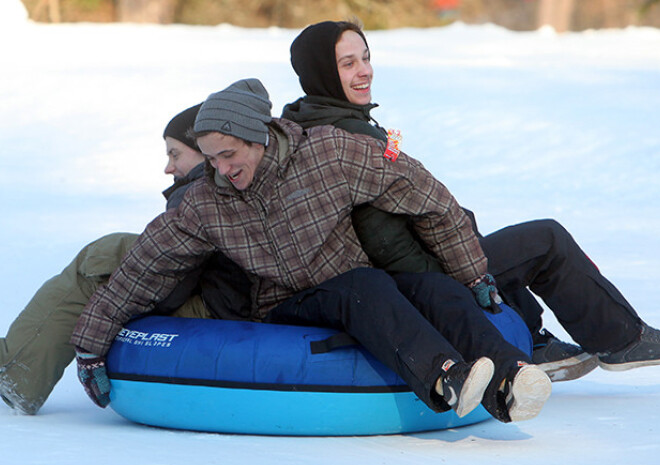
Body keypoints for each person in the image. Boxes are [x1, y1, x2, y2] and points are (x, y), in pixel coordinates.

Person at [70, 78, 552, 424]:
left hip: (358, 281)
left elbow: (423, 193)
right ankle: (445, 378)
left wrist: (473, 275)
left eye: (229, 154)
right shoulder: (205, 203)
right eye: (211, 159)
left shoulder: (328, 154)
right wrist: (91, 348)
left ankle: (510, 377)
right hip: (286, 306)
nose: (221, 169)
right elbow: (145, 267)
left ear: (256, 137)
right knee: (363, 287)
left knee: (431, 287)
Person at [280, 19, 660, 381]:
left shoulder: (313, 120)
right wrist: (451, 279)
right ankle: (621, 340)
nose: (364, 71)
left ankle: (531, 335)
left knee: (467, 221)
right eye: (348, 63)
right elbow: (380, 237)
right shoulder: (346, 137)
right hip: (414, 279)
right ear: (323, 73)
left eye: (366, 57)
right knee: (545, 240)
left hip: (408, 269)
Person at [0, 104, 251, 415]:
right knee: (111, 255)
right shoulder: (233, 183)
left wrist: (109, 306)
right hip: (228, 301)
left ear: (204, 153)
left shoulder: (198, 193)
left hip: (216, 310)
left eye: (175, 154)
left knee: (96, 265)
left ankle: (16, 373)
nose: (168, 167)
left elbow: (170, 288)